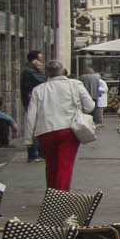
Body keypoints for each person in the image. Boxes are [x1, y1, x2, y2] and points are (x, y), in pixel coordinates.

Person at [25, 61, 95, 191]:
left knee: (51, 165)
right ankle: (60, 197)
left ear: (47, 73)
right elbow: (90, 106)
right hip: (69, 129)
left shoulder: (38, 89)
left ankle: (51, 194)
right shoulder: (75, 84)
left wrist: (28, 138)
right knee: (65, 166)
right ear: (62, 71)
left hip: (46, 131)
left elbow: (31, 115)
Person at [20, 50, 45, 162]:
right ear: (34, 60)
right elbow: (43, 80)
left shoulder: (29, 70)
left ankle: (38, 152)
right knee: (34, 128)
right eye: (40, 60)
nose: (41, 63)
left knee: (36, 127)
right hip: (32, 102)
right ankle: (34, 154)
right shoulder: (30, 71)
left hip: (32, 101)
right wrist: (40, 71)